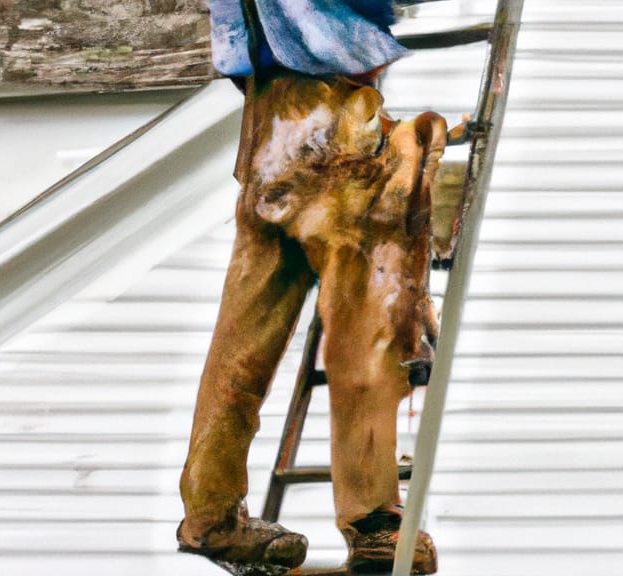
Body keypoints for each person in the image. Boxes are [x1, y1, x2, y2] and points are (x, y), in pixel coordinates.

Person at [178, 1, 444, 573]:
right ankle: (373, 520)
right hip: (331, 123)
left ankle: (210, 514)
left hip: (268, 131)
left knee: (242, 339)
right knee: (367, 329)